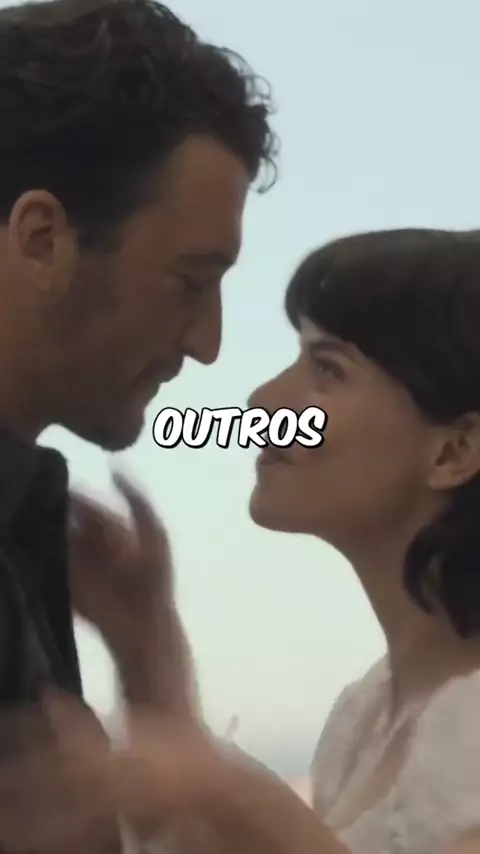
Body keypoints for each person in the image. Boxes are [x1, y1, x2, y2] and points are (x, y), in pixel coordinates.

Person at [54, 228, 480, 854]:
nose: (264, 400)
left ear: (454, 451)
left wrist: (234, 796)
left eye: (327, 369)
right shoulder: (364, 717)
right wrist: (145, 647)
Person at [0, 0, 276, 849]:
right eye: (191, 281)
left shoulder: (34, 525)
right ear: (42, 240)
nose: (208, 344)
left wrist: (151, 664)